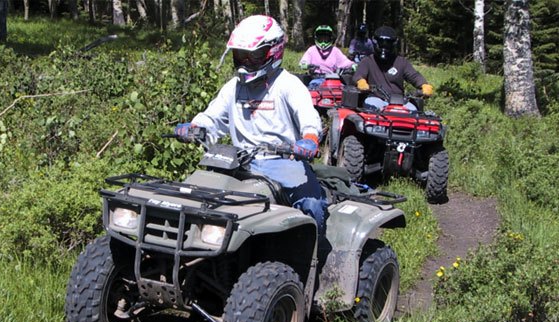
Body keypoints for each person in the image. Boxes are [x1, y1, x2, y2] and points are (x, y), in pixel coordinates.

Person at [174, 15, 328, 241]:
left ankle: (318, 254)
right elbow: (213, 117)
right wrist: (196, 126)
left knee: (312, 204)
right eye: (240, 56)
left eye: (253, 56)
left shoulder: (288, 85)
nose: (245, 63)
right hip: (237, 161)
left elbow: (309, 118)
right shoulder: (233, 87)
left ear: (273, 51)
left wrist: (310, 139)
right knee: (192, 195)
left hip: (283, 162)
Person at [352, 26, 434, 111]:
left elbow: (413, 76)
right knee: (372, 107)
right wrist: (361, 82)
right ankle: (375, 125)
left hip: (399, 101)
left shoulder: (401, 62)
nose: (384, 47)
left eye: (388, 44)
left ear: (393, 44)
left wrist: (424, 85)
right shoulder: (368, 61)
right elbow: (358, 75)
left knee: (413, 111)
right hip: (376, 97)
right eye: (381, 43)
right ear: (375, 43)